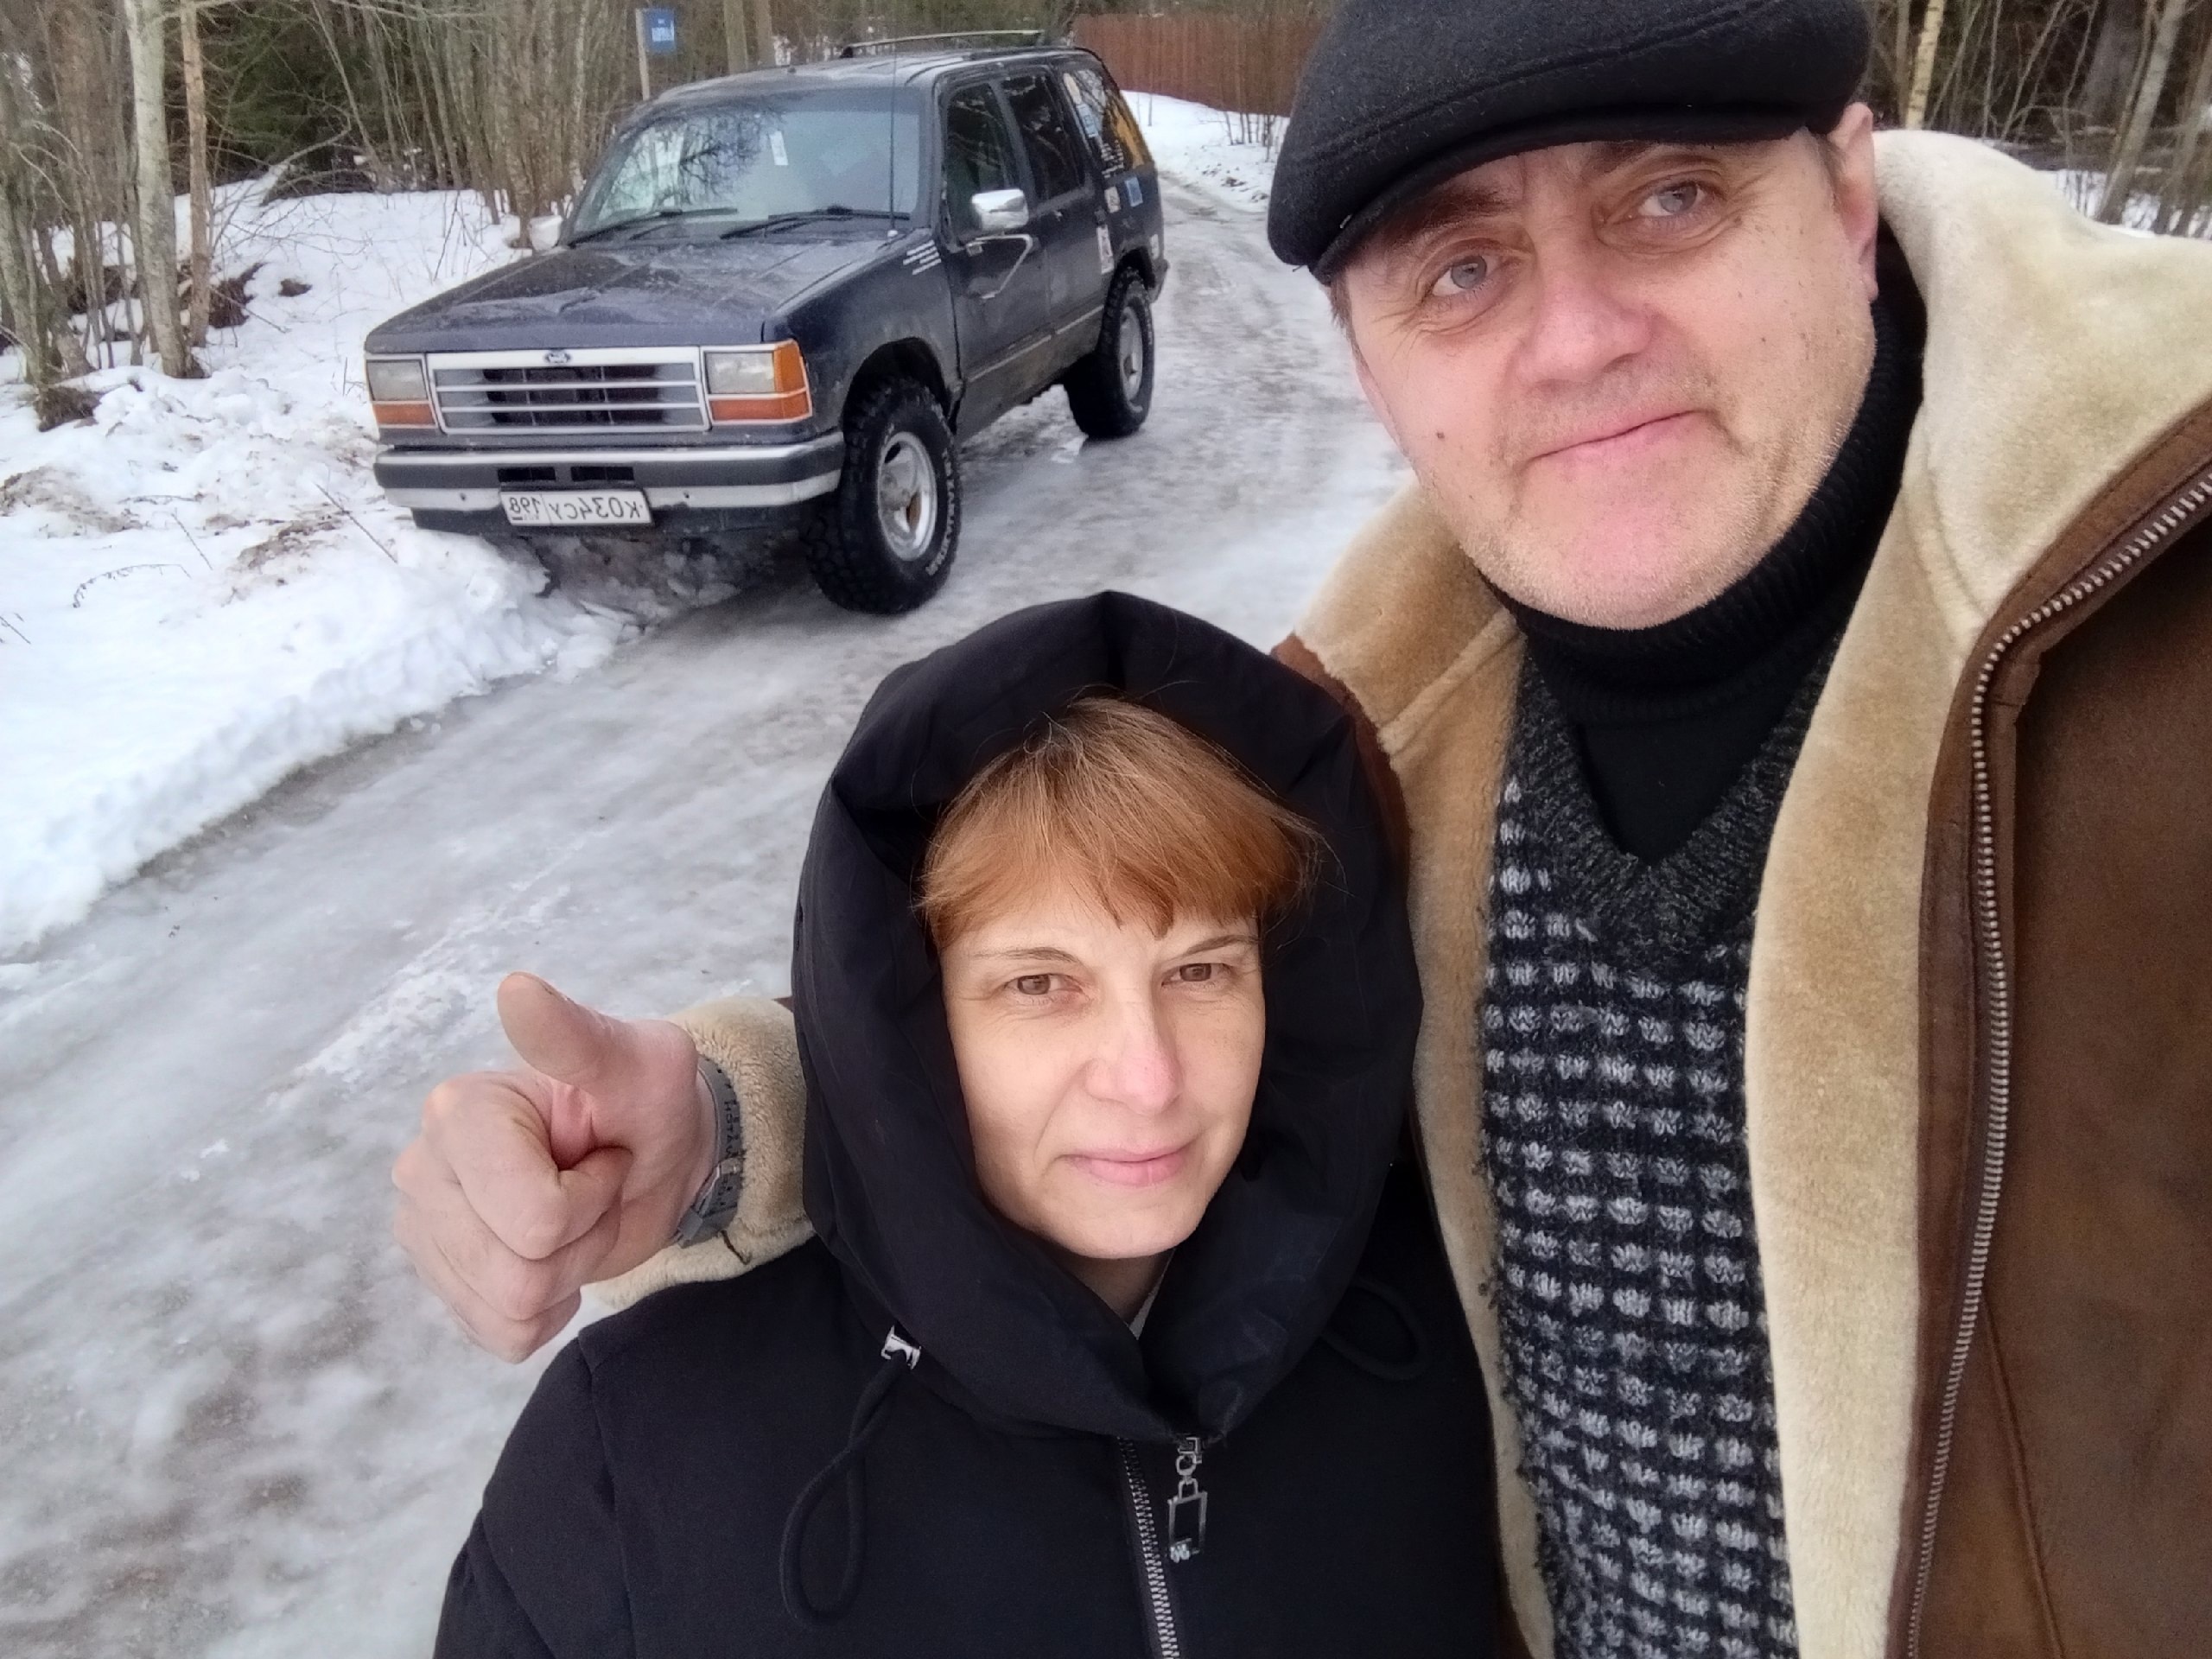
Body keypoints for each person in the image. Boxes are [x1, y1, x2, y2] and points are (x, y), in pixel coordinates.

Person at [396, 1, 2212, 1654]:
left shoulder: (2160, 631)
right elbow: (1126, 1000)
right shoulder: (1370, 750)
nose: (1577, 338)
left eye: (1669, 200)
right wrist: (735, 1122)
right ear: (1366, 357)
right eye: (1463, 269)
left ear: (1844, 190)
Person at [433, 593, 1498, 1657]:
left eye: (1201, 970)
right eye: (1040, 984)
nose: (1147, 1078)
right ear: (906, 1024)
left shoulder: (1458, 1314)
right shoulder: (632, 1460)